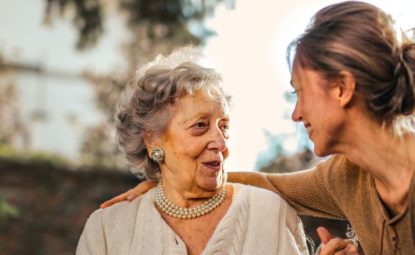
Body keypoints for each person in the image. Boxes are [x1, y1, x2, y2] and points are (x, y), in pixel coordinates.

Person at [100, 2, 415, 255]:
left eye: (300, 91)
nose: (296, 113)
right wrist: (172, 179)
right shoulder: (345, 177)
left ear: (343, 88)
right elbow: (269, 184)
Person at [76, 48, 309, 255]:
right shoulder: (107, 229)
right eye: (200, 126)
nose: (220, 142)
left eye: (224, 127)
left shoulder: (271, 214)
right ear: (152, 140)